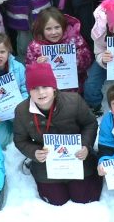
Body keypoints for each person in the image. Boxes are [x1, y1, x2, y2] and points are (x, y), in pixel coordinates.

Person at [13, 62, 102, 204]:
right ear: (29, 90)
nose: (41, 92)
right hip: (48, 163)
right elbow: (20, 140)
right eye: (35, 88)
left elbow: (90, 124)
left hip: (77, 157)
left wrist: (85, 145)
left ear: (54, 87)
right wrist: (34, 152)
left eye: (45, 86)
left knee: (84, 198)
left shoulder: (74, 101)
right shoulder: (22, 111)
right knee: (56, 200)